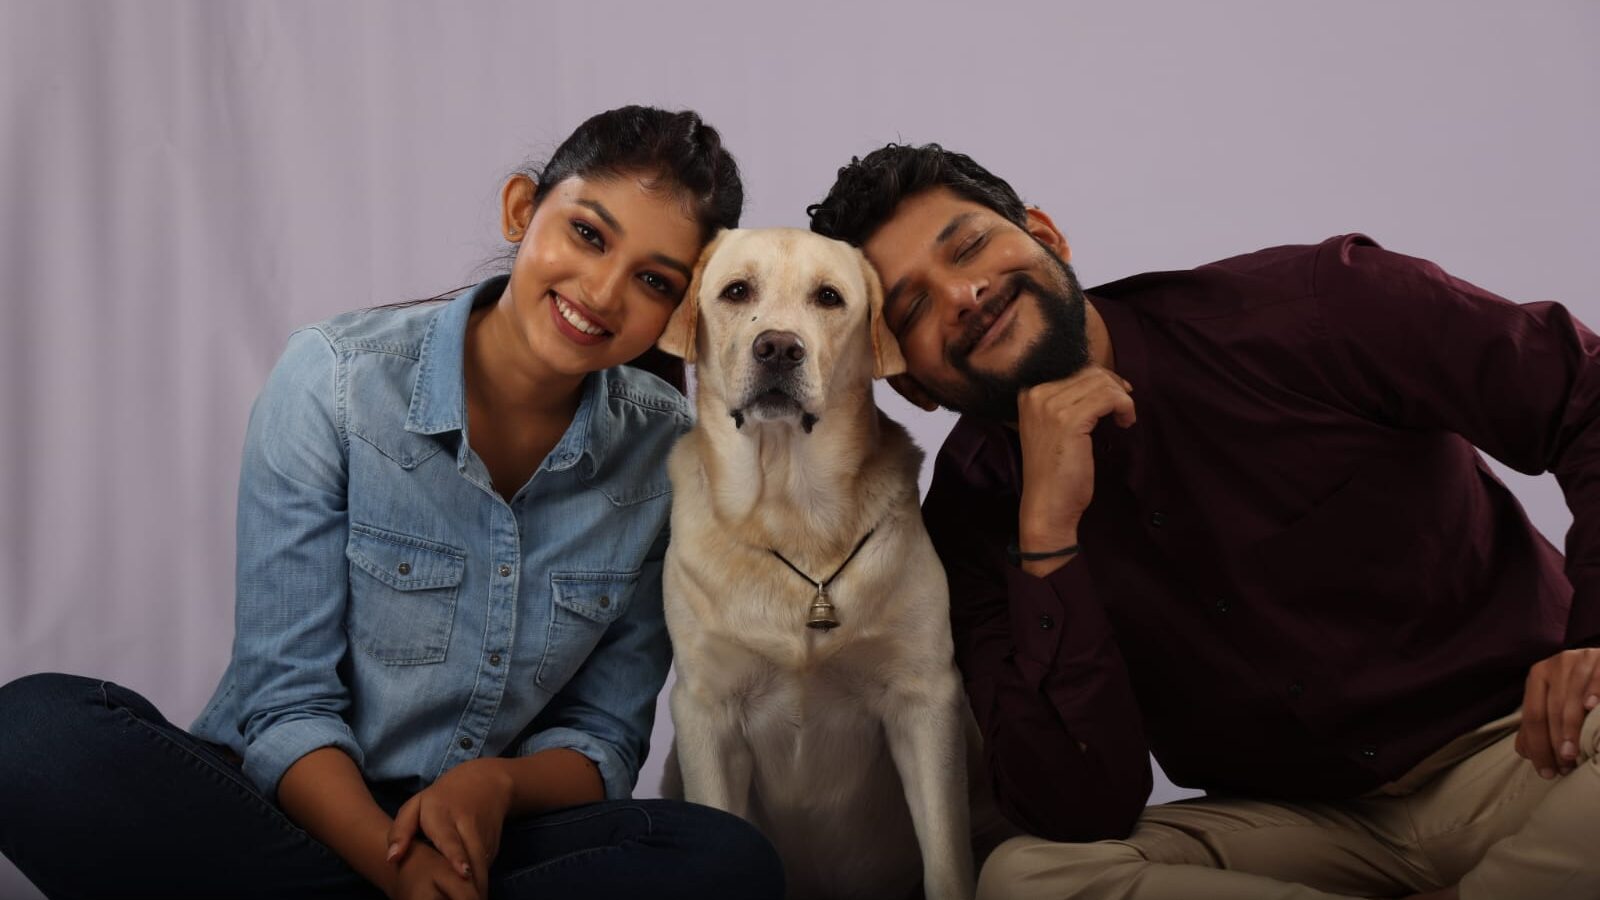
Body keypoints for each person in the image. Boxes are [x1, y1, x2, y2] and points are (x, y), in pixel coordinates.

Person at [0, 106, 784, 900]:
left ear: (682, 312)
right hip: (280, 812)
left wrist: (494, 787)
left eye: (654, 281)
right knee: (33, 737)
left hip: (481, 840)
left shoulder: (670, 459)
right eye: (587, 234)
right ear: (522, 209)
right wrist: (397, 868)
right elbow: (285, 706)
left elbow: (602, 738)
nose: (604, 291)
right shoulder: (334, 383)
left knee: (727, 861)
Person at [807, 143, 1600, 900]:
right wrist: (1047, 537)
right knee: (1027, 879)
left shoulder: (1316, 305)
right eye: (914, 306)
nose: (963, 295)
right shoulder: (968, 522)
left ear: (1046, 235)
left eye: (970, 246)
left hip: (1532, 747)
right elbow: (1079, 809)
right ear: (910, 384)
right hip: (1305, 828)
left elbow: (1585, 395)